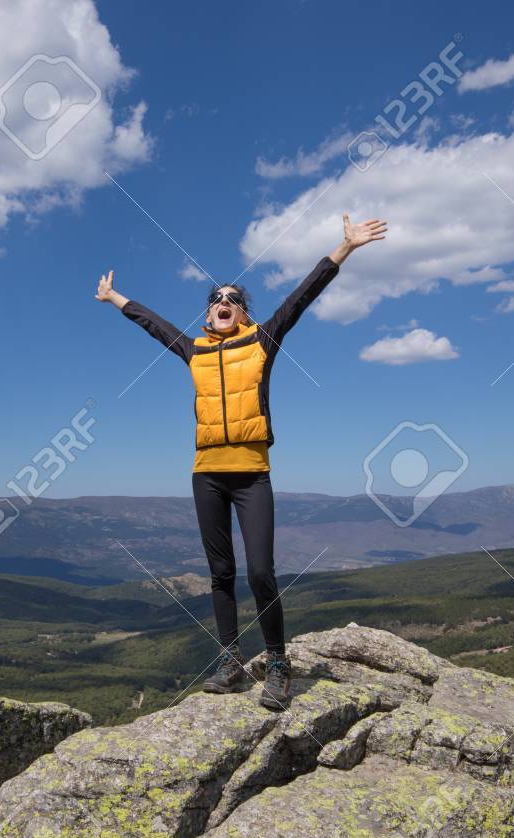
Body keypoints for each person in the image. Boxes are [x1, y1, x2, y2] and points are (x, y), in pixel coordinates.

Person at [95, 214, 387, 710]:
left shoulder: (263, 341)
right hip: (206, 475)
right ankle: (230, 661)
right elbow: (153, 323)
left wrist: (346, 247)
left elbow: (301, 296)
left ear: (244, 313)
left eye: (233, 299)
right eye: (216, 300)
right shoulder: (193, 351)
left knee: (261, 573)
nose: (224, 303)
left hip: (252, 474)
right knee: (220, 572)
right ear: (207, 316)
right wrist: (114, 299)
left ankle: (276, 664)